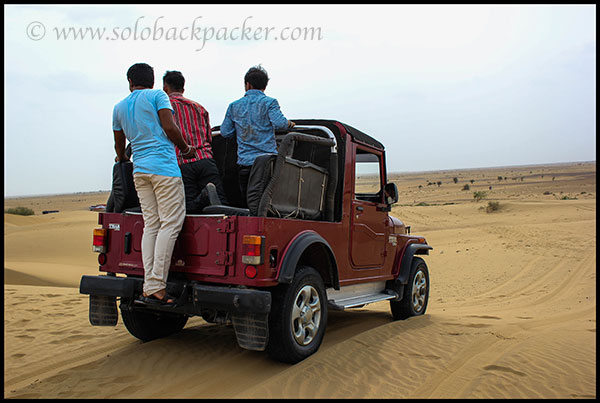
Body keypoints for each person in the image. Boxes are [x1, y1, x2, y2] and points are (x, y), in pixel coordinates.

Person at [112, 62, 196, 305]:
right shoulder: (158, 95)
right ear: (152, 81)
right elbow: (169, 127)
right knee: (171, 224)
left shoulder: (119, 107)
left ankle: (151, 283)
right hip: (165, 169)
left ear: (130, 82)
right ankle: (156, 286)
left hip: (140, 171)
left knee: (152, 226)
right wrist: (186, 148)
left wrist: (125, 158)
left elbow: (119, 148)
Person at [220, 65, 295, 204]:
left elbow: (225, 132)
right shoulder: (270, 103)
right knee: (267, 205)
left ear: (247, 85)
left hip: (245, 166)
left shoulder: (234, 106)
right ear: (265, 86)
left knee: (249, 204)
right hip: (267, 165)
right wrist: (289, 123)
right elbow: (280, 124)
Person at [162, 70, 228, 213]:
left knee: (190, 208)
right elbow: (208, 137)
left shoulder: (164, 110)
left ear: (165, 88)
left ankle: (204, 195)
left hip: (181, 162)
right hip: (205, 159)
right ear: (183, 88)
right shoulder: (199, 107)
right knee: (220, 203)